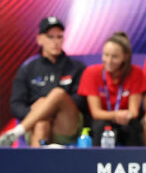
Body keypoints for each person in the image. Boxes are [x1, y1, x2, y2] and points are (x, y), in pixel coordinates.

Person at [1, 17, 86, 147]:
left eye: (59, 37)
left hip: (66, 123)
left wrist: (50, 106)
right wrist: (37, 111)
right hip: (36, 124)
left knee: (57, 94)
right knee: (41, 122)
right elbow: (16, 104)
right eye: (50, 37)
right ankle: (35, 166)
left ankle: (15, 133)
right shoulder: (28, 69)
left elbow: (81, 100)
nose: (56, 42)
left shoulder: (77, 67)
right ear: (39, 39)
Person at [77, 32, 146, 146]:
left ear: (124, 57)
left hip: (126, 120)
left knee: (132, 128)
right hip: (101, 120)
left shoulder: (136, 73)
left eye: (114, 57)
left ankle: (135, 162)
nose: (108, 61)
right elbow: (96, 112)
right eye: (106, 55)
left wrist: (126, 116)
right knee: (99, 126)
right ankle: (95, 162)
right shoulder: (91, 73)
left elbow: (133, 111)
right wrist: (115, 115)